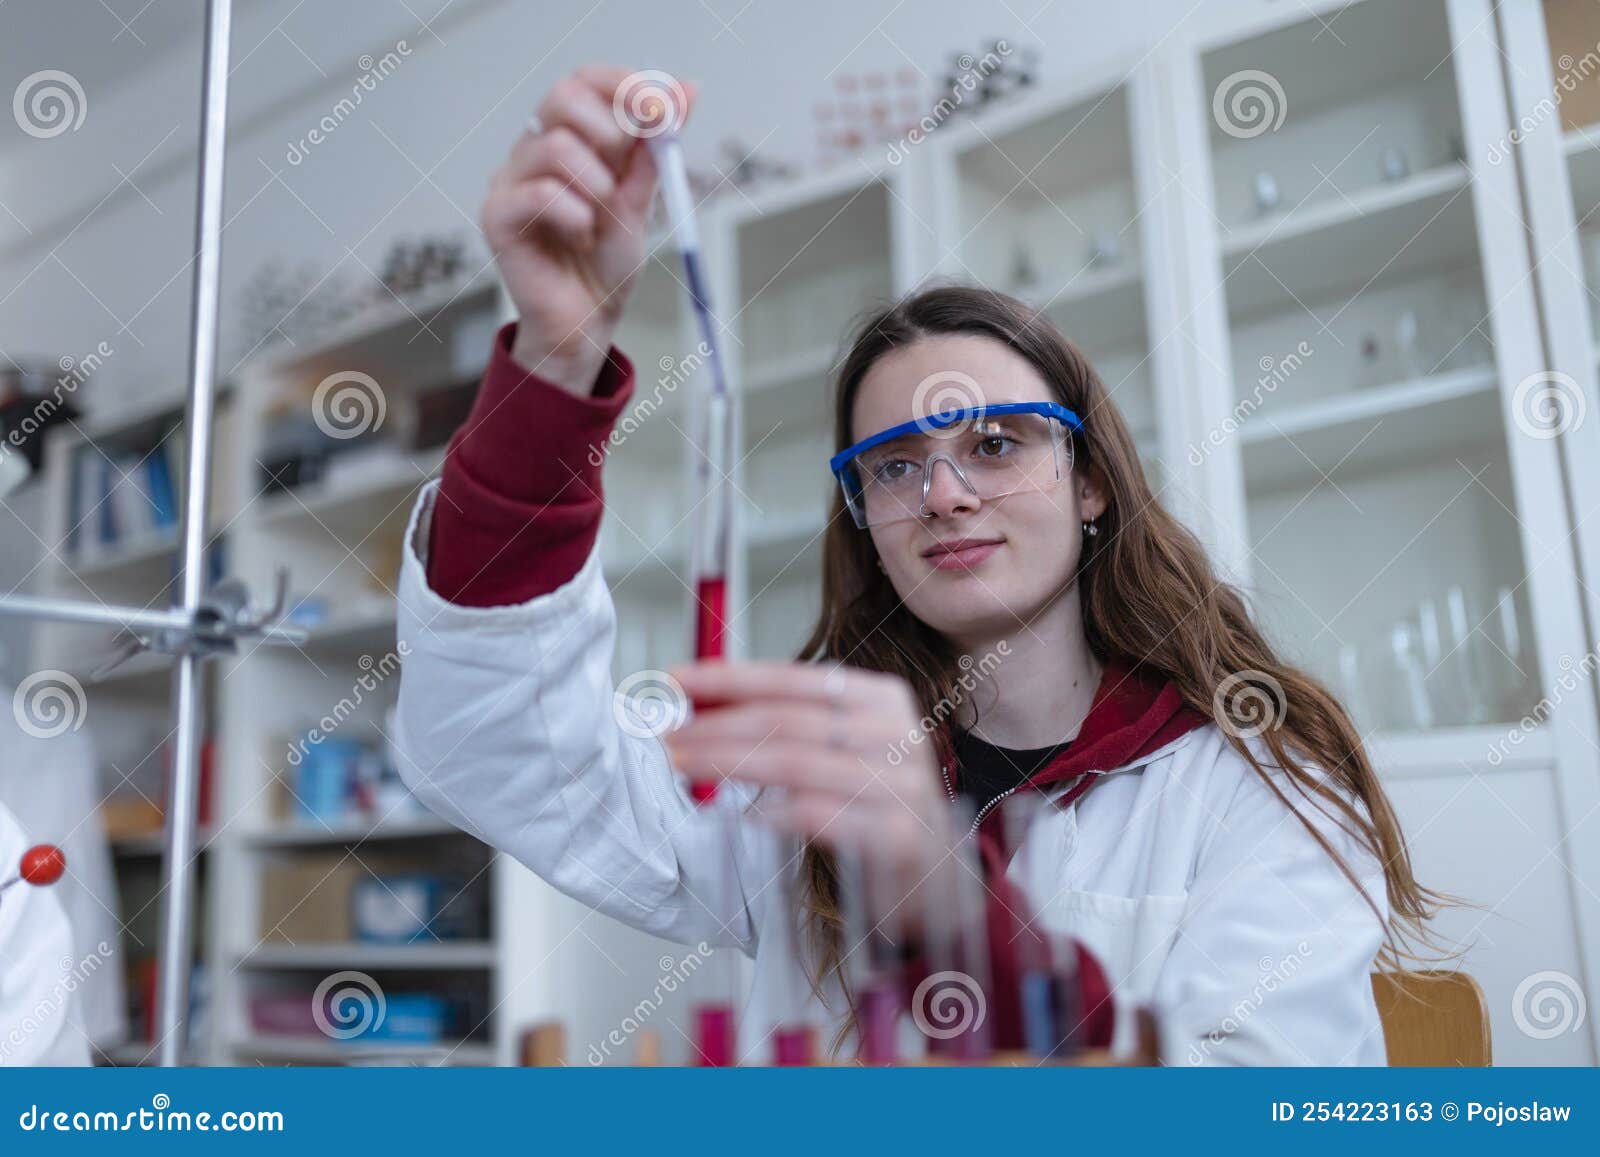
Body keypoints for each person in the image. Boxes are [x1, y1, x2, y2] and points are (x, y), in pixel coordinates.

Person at [393, 65, 1444, 1064]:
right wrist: (556, 360)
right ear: (863, 517)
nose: (942, 494)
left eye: (995, 443)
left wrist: (954, 911)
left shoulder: (1259, 785)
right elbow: (503, 742)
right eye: (894, 465)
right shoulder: (799, 769)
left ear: (1090, 482)